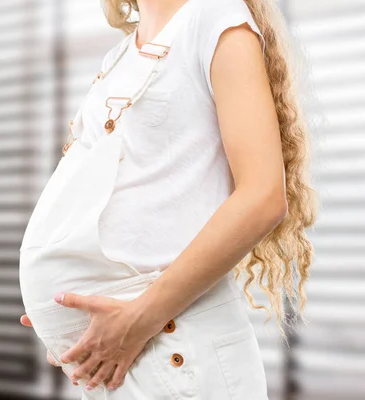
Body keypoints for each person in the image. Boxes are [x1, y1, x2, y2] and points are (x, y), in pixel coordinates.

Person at [18, 0, 318, 398]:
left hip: (178, 351)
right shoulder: (120, 56)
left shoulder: (214, 17)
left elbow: (263, 196)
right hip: (129, 360)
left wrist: (137, 319)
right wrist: (65, 318)